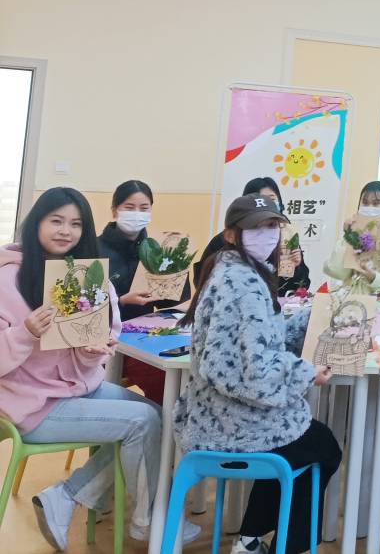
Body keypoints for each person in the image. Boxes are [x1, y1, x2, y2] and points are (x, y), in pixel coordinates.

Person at [0, 188, 197, 549]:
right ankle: (151, 522)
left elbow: (98, 346)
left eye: (76, 224)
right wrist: (25, 333)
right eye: (56, 221)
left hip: (78, 389)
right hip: (31, 404)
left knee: (161, 416)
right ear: (36, 223)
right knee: (143, 422)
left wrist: (94, 352)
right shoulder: (6, 279)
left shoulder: (90, 279)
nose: (65, 231)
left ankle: (67, 495)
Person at [176, 195, 341, 554]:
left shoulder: (235, 272)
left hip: (217, 415)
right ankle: (281, 545)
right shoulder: (243, 283)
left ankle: (250, 540)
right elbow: (249, 371)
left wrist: (313, 316)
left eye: (272, 226)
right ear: (231, 234)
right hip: (229, 424)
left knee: (303, 439)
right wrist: (307, 373)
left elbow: (262, 341)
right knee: (322, 446)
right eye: (256, 227)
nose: (267, 235)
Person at [99, 179, 191, 404]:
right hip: (110, 344)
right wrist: (121, 301)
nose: (137, 214)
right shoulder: (95, 249)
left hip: (148, 340)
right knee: (162, 380)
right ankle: (158, 421)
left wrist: (177, 270)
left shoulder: (157, 249)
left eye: (144, 208)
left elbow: (173, 304)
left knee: (189, 377)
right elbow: (84, 309)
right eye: (129, 208)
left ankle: (169, 422)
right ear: (115, 209)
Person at [199, 178, 309, 292]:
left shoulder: (287, 238)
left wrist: (296, 267)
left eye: (272, 199)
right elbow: (202, 280)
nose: (266, 204)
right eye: (254, 227)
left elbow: (301, 285)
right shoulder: (224, 241)